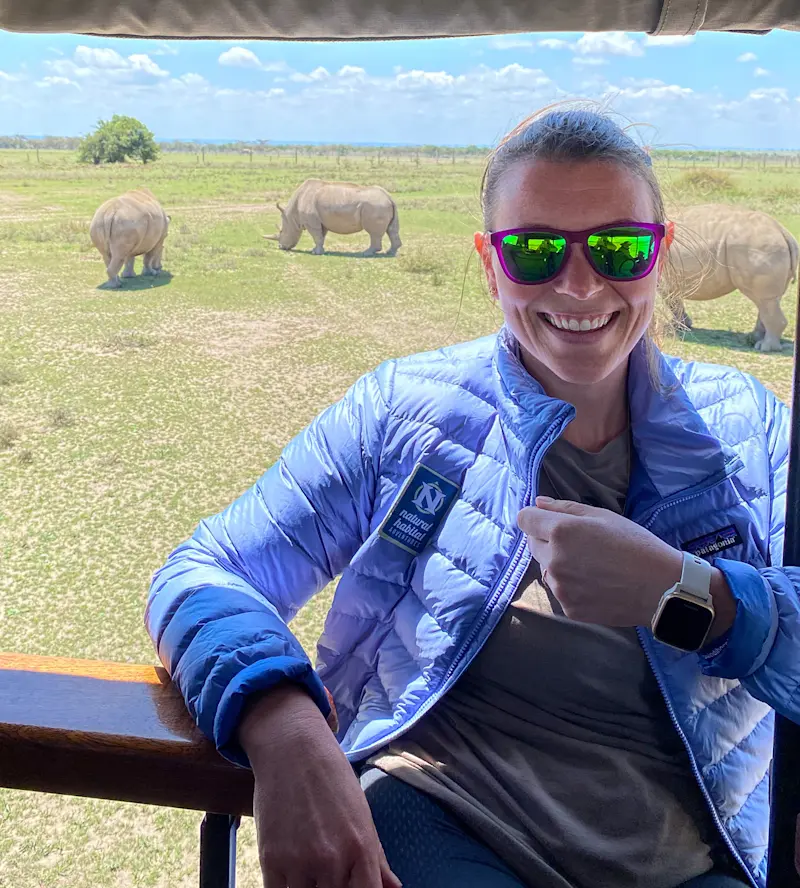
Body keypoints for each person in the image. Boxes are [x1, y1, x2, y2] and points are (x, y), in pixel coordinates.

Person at [145, 106, 800, 888]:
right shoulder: (403, 410)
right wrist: (283, 723)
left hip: (687, 854)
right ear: (490, 265)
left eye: (620, 247)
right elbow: (203, 571)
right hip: (446, 813)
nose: (582, 283)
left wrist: (690, 594)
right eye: (535, 252)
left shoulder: (752, 427)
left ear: (661, 255)